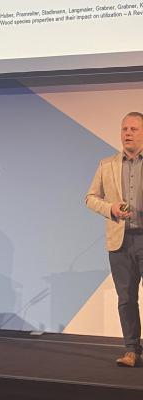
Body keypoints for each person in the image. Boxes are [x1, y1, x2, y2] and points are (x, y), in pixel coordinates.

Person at [86, 111, 143, 367]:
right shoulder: (106, 164)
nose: (127, 133)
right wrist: (110, 208)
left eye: (133, 129)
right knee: (126, 298)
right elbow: (90, 198)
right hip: (120, 242)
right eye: (124, 129)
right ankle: (131, 350)